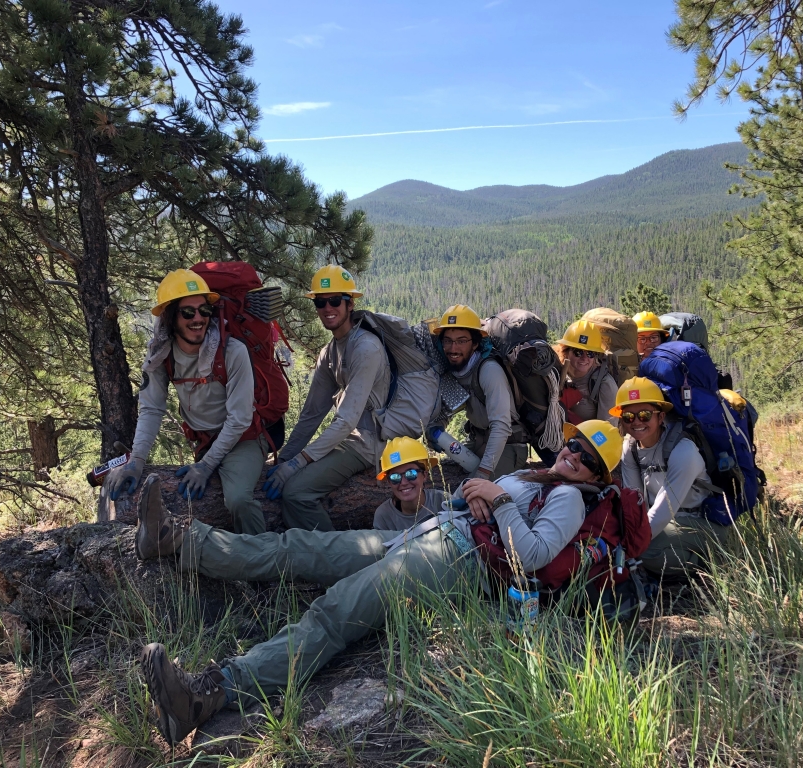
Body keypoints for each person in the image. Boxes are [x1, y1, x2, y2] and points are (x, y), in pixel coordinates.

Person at [134, 419, 623, 747]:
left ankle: (207, 695)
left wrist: (497, 501)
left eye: (588, 458)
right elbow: (468, 503)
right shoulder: (535, 476)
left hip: (455, 561)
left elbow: (532, 556)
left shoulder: (570, 501)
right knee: (299, 546)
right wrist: (474, 498)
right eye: (574, 443)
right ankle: (179, 543)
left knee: (336, 609)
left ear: (597, 477)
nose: (574, 454)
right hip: (425, 535)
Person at [104, 269, 271, 535]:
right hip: (206, 442)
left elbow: (240, 419)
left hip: (245, 440)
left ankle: (267, 565)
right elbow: (151, 408)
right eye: (188, 312)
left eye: (204, 311)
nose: (198, 319)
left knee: (238, 499)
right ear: (171, 317)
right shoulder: (161, 353)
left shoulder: (232, 350)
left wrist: (206, 465)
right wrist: (136, 460)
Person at [262, 265, 391, 531]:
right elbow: (312, 413)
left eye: (335, 300)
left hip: (368, 443)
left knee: (297, 493)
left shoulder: (366, 348)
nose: (327, 308)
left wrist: (298, 463)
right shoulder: (330, 352)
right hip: (349, 437)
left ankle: (334, 558)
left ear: (350, 303)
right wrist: (285, 458)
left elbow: (346, 421)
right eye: (321, 302)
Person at [610, 376, 727, 580]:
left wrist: (626, 548)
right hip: (669, 522)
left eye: (645, 415)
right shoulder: (630, 448)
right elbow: (636, 503)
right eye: (628, 416)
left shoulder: (683, 451)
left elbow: (664, 510)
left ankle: (712, 564)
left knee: (645, 550)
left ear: (661, 417)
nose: (636, 422)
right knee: (633, 543)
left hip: (701, 522)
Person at [431, 304, 528, 479]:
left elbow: (501, 426)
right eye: (448, 341)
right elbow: (449, 407)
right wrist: (437, 428)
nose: (453, 348)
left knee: (471, 492)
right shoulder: (456, 369)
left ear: (475, 343)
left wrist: (483, 472)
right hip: (478, 442)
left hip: (508, 446)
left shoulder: (488, 370)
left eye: (461, 341)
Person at [372, 436, 446, 531]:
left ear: (424, 475)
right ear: (389, 482)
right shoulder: (384, 517)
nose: (403, 483)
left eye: (411, 474)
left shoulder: (442, 501)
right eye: (395, 477)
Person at [556, 319, 618, 427]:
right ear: (566, 352)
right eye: (578, 352)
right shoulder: (557, 375)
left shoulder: (604, 384)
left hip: (590, 441)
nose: (584, 358)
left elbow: (607, 429)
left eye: (590, 353)